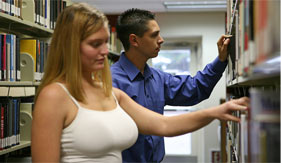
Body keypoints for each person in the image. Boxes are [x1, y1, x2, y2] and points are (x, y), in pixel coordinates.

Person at [31, 3, 249, 163]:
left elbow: (166, 122)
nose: (105, 52)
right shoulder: (65, 94)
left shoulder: (114, 91)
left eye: (105, 43)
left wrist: (217, 110)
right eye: (95, 44)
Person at [110, 8, 233, 163]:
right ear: (134, 40)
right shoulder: (111, 82)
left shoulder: (157, 78)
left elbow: (195, 88)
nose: (161, 39)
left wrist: (220, 61)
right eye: (154, 35)